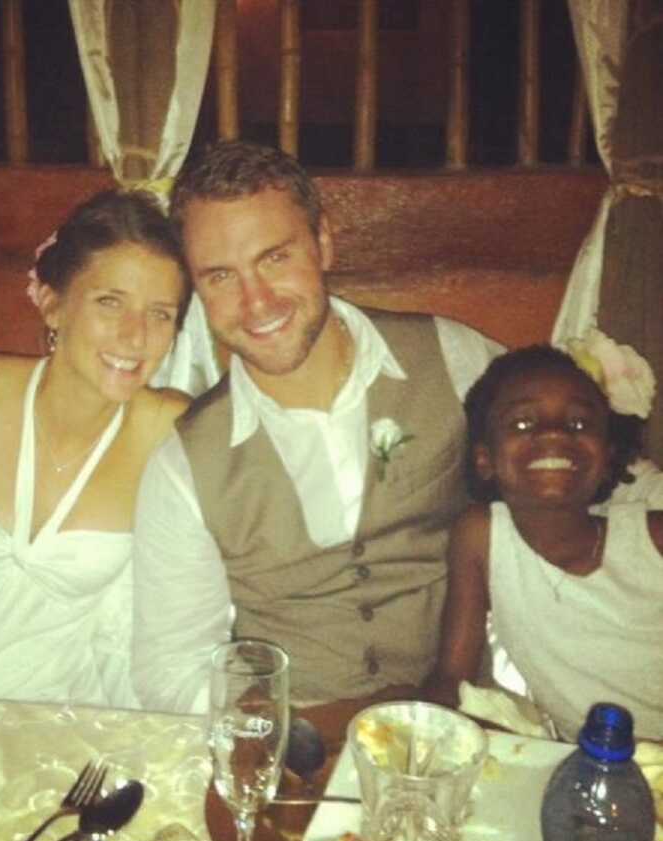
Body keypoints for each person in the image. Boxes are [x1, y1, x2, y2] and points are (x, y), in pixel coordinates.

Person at [131, 140, 504, 714]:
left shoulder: (454, 359)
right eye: (220, 276)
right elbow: (173, 667)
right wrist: (283, 728)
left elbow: (579, 465)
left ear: (323, 242)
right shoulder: (184, 464)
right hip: (298, 746)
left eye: (275, 258)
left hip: (470, 725)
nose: (256, 302)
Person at [0, 189, 191, 705]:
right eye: (110, 302)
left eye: (161, 314)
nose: (135, 337)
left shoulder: (170, 428)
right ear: (52, 302)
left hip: (56, 721)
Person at [424, 341, 663, 741]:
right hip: (591, 771)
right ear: (485, 459)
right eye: (522, 424)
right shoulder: (481, 536)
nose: (553, 434)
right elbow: (452, 675)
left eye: (578, 424)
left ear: (607, 458)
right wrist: (416, 732)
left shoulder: (652, 538)